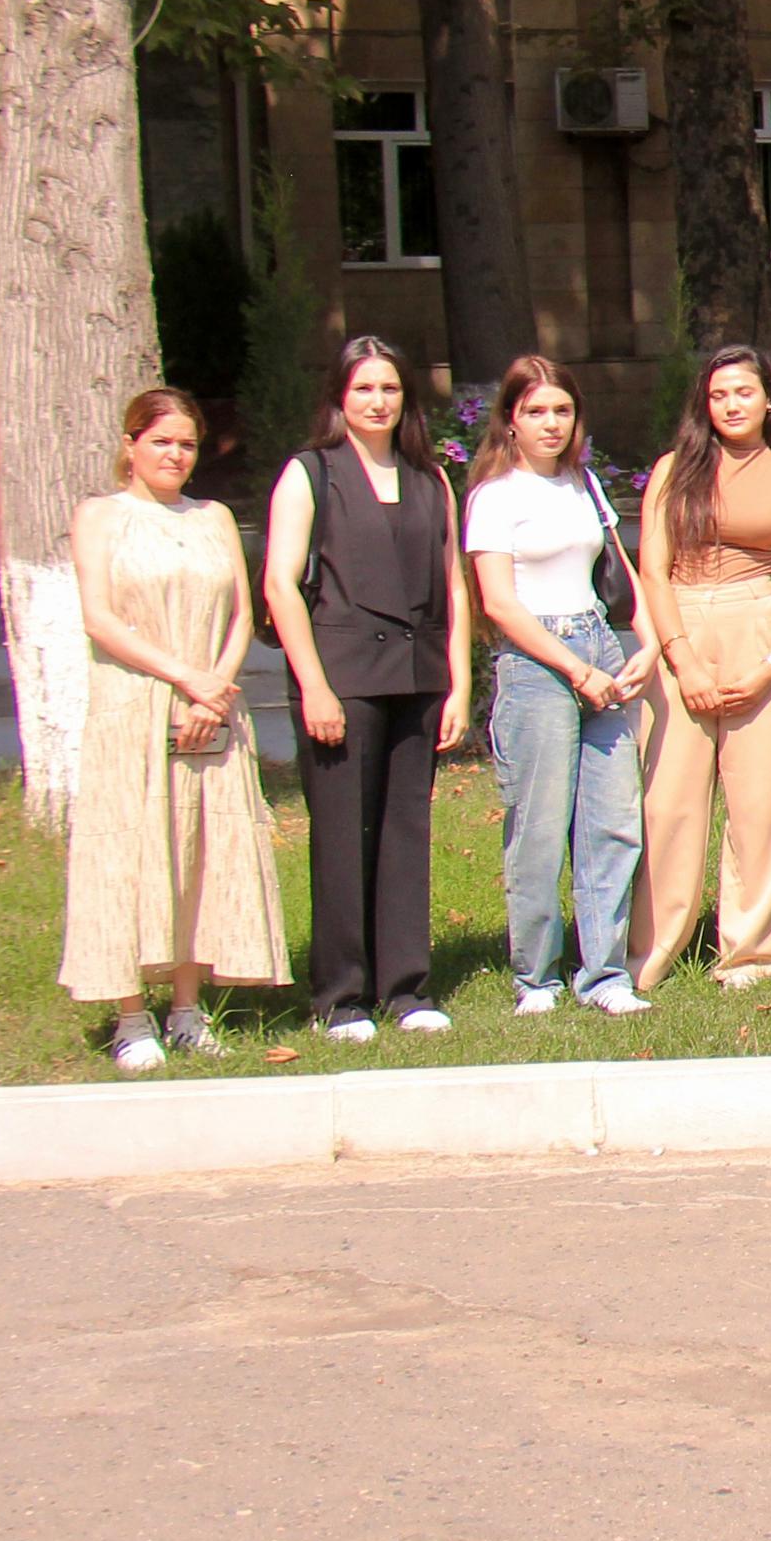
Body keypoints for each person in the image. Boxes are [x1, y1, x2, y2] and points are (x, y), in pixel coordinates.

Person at [62, 387, 286, 1068]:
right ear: (131, 445)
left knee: (199, 849)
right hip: (137, 704)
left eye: (187, 444)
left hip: (211, 710)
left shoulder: (213, 517)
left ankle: (187, 1009)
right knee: (134, 852)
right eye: (161, 441)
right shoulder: (102, 517)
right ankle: (132, 1017)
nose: (175, 454)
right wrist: (184, 679)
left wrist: (213, 688)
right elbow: (100, 618)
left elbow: (242, 613)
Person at [261, 336, 473, 1041]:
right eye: (363, 390)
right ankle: (341, 996)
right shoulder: (310, 474)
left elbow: (451, 585)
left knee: (406, 833)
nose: (377, 402)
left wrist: (460, 685)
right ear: (339, 399)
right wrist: (313, 685)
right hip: (342, 679)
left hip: (418, 678)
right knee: (345, 839)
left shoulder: (430, 478)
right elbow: (281, 586)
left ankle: (405, 988)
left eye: (389, 389)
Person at [463, 356, 653, 1015]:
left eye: (562, 411)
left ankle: (604, 975)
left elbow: (622, 571)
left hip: (599, 643)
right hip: (537, 662)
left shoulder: (585, 486)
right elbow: (498, 603)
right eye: (535, 411)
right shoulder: (495, 496)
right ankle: (536, 978)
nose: (550, 423)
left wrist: (647, 644)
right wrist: (576, 671)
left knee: (612, 821)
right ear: (510, 420)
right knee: (539, 828)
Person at [631, 344, 771, 990]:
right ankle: (653, 948)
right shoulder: (671, 471)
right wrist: (679, 658)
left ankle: (750, 952)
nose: (731, 405)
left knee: (764, 800)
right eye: (718, 395)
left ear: (770, 400)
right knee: (669, 801)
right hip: (680, 625)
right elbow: (650, 571)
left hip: (758, 625)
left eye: (743, 392)